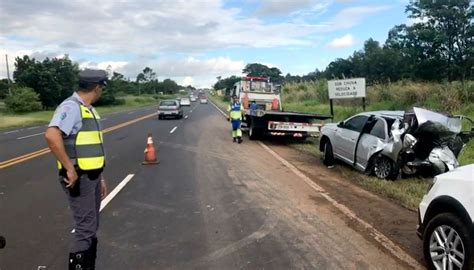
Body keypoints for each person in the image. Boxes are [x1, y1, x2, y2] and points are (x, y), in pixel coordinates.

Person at [45, 69, 108, 269]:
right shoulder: (71, 107)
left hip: (92, 176)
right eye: (102, 88)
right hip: (79, 178)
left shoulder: (87, 108)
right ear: (97, 87)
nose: (102, 91)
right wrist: (69, 168)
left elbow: (91, 147)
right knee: (85, 228)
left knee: (91, 227)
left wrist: (101, 176)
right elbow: (51, 136)